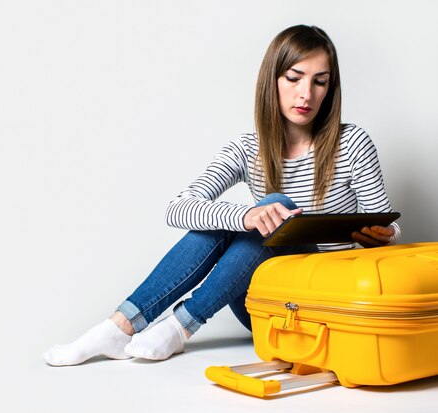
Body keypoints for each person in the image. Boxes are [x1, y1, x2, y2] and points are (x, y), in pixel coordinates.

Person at [43, 24, 401, 366]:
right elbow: (177, 208)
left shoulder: (352, 143)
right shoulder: (247, 148)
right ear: (272, 80)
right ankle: (121, 326)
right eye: (293, 78)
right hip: (264, 306)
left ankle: (181, 324)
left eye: (319, 82)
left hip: (323, 304)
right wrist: (244, 217)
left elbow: (387, 227)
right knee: (245, 216)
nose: (306, 94)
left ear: (329, 89)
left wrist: (383, 237)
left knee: (276, 207)